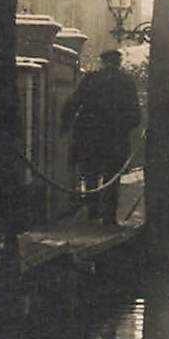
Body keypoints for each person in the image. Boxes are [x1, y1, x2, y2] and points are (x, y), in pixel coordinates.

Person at [61, 49, 141, 224]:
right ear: (119, 63)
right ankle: (109, 217)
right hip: (115, 138)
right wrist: (123, 127)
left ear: (103, 62)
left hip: (90, 136)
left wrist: (65, 126)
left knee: (90, 174)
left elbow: (73, 102)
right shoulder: (127, 83)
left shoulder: (91, 79)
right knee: (112, 177)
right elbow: (136, 116)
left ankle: (92, 211)